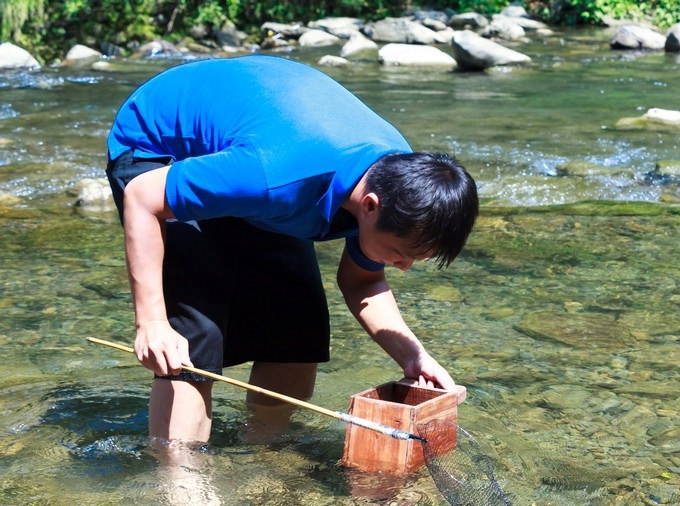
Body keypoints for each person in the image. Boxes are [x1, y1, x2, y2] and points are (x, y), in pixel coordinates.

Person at [105, 55, 479, 445]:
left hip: (254, 149)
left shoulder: (397, 181)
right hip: (159, 147)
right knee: (194, 336)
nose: (404, 267)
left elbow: (362, 280)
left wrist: (413, 357)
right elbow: (143, 197)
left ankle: (266, 448)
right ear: (369, 206)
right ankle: (180, 480)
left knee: (298, 324)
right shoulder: (273, 174)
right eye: (402, 253)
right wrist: (151, 324)